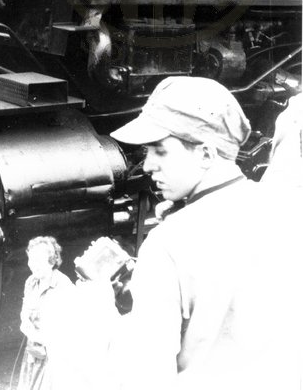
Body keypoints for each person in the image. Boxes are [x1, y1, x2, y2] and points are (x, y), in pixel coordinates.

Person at [105, 76, 303, 390]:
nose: (147, 166)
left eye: (160, 151)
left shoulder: (166, 246)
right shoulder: (289, 211)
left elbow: (144, 375)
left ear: (207, 154)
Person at [17, 236, 74, 390]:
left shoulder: (63, 285)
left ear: (51, 261)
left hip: (55, 358)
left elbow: (69, 328)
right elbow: (25, 312)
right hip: (33, 353)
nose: (31, 265)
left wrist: (41, 337)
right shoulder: (30, 282)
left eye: (37, 261)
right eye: (30, 260)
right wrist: (26, 325)